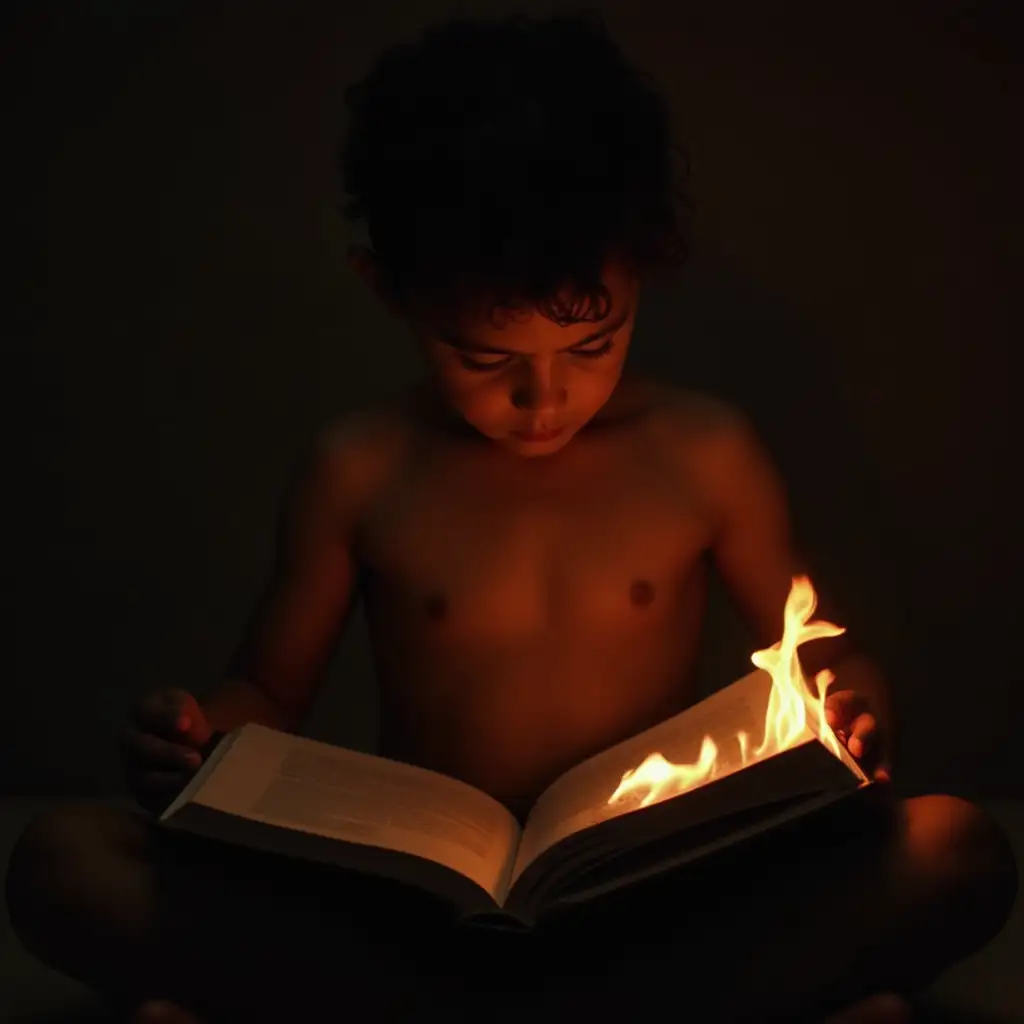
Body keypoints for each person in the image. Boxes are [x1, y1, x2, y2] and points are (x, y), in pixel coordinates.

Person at [5, 11, 1016, 1023]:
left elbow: (823, 652)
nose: (544, 400)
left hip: (655, 896)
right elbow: (268, 690)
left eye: (591, 345)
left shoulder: (703, 454)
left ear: (638, 278)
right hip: (420, 913)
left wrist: (851, 710)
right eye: (485, 359)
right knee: (63, 862)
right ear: (388, 289)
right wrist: (196, 738)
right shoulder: (361, 470)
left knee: (953, 847)